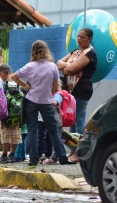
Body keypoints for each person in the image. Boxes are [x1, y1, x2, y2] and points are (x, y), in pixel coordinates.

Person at [11, 40, 76, 166]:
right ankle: (62, 158)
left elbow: (14, 76)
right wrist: (49, 94)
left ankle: (33, 160)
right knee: (53, 130)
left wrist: (26, 86)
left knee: (32, 130)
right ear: (46, 51)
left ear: (33, 51)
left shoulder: (29, 66)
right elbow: (56, 85)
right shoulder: (52, 66)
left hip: (31, 100)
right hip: (46, 102)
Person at [57, 27, 97, 162]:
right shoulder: (75, 52)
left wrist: (67, 66)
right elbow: (58, 64)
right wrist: (67, 65)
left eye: (83, 37)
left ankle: (81, 151)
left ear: (90, 39)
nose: (79, 39)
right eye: (78, 36)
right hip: (70, 91)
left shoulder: (90, 53)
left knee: (79, 120)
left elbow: (70, 69)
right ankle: (74, 150)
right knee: (71, 121)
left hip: (81, 91)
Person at [0, 64, 22, 163]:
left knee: (5, 135)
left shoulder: (3, 85)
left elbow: (1, 99)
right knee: (15, 135)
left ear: (2, 73)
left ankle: (4, 155)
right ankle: (12, 155)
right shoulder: (17, 84)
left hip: (6, 116)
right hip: (17, 115)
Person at [43, 79, 64, 164]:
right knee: (55, 139)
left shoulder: (58, 94)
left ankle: (54, 158)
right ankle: (55, 156)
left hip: (57, 120)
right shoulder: (52, 94)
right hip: (52, 120)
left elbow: (56, 102)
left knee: (57, 139)